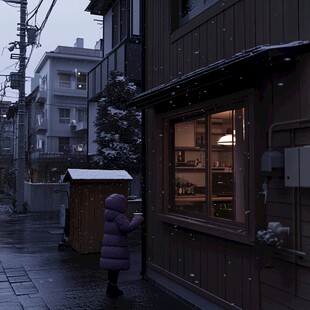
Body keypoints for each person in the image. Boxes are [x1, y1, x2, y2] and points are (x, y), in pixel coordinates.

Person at [100, 193, 144, 299]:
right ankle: (113, 290)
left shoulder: (109, 214)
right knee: (115, 268)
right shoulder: (119, 216)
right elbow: (127, 227)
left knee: (112, 269)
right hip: (117, 245)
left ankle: (111, 288)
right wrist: (137, 220)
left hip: (110, 245)